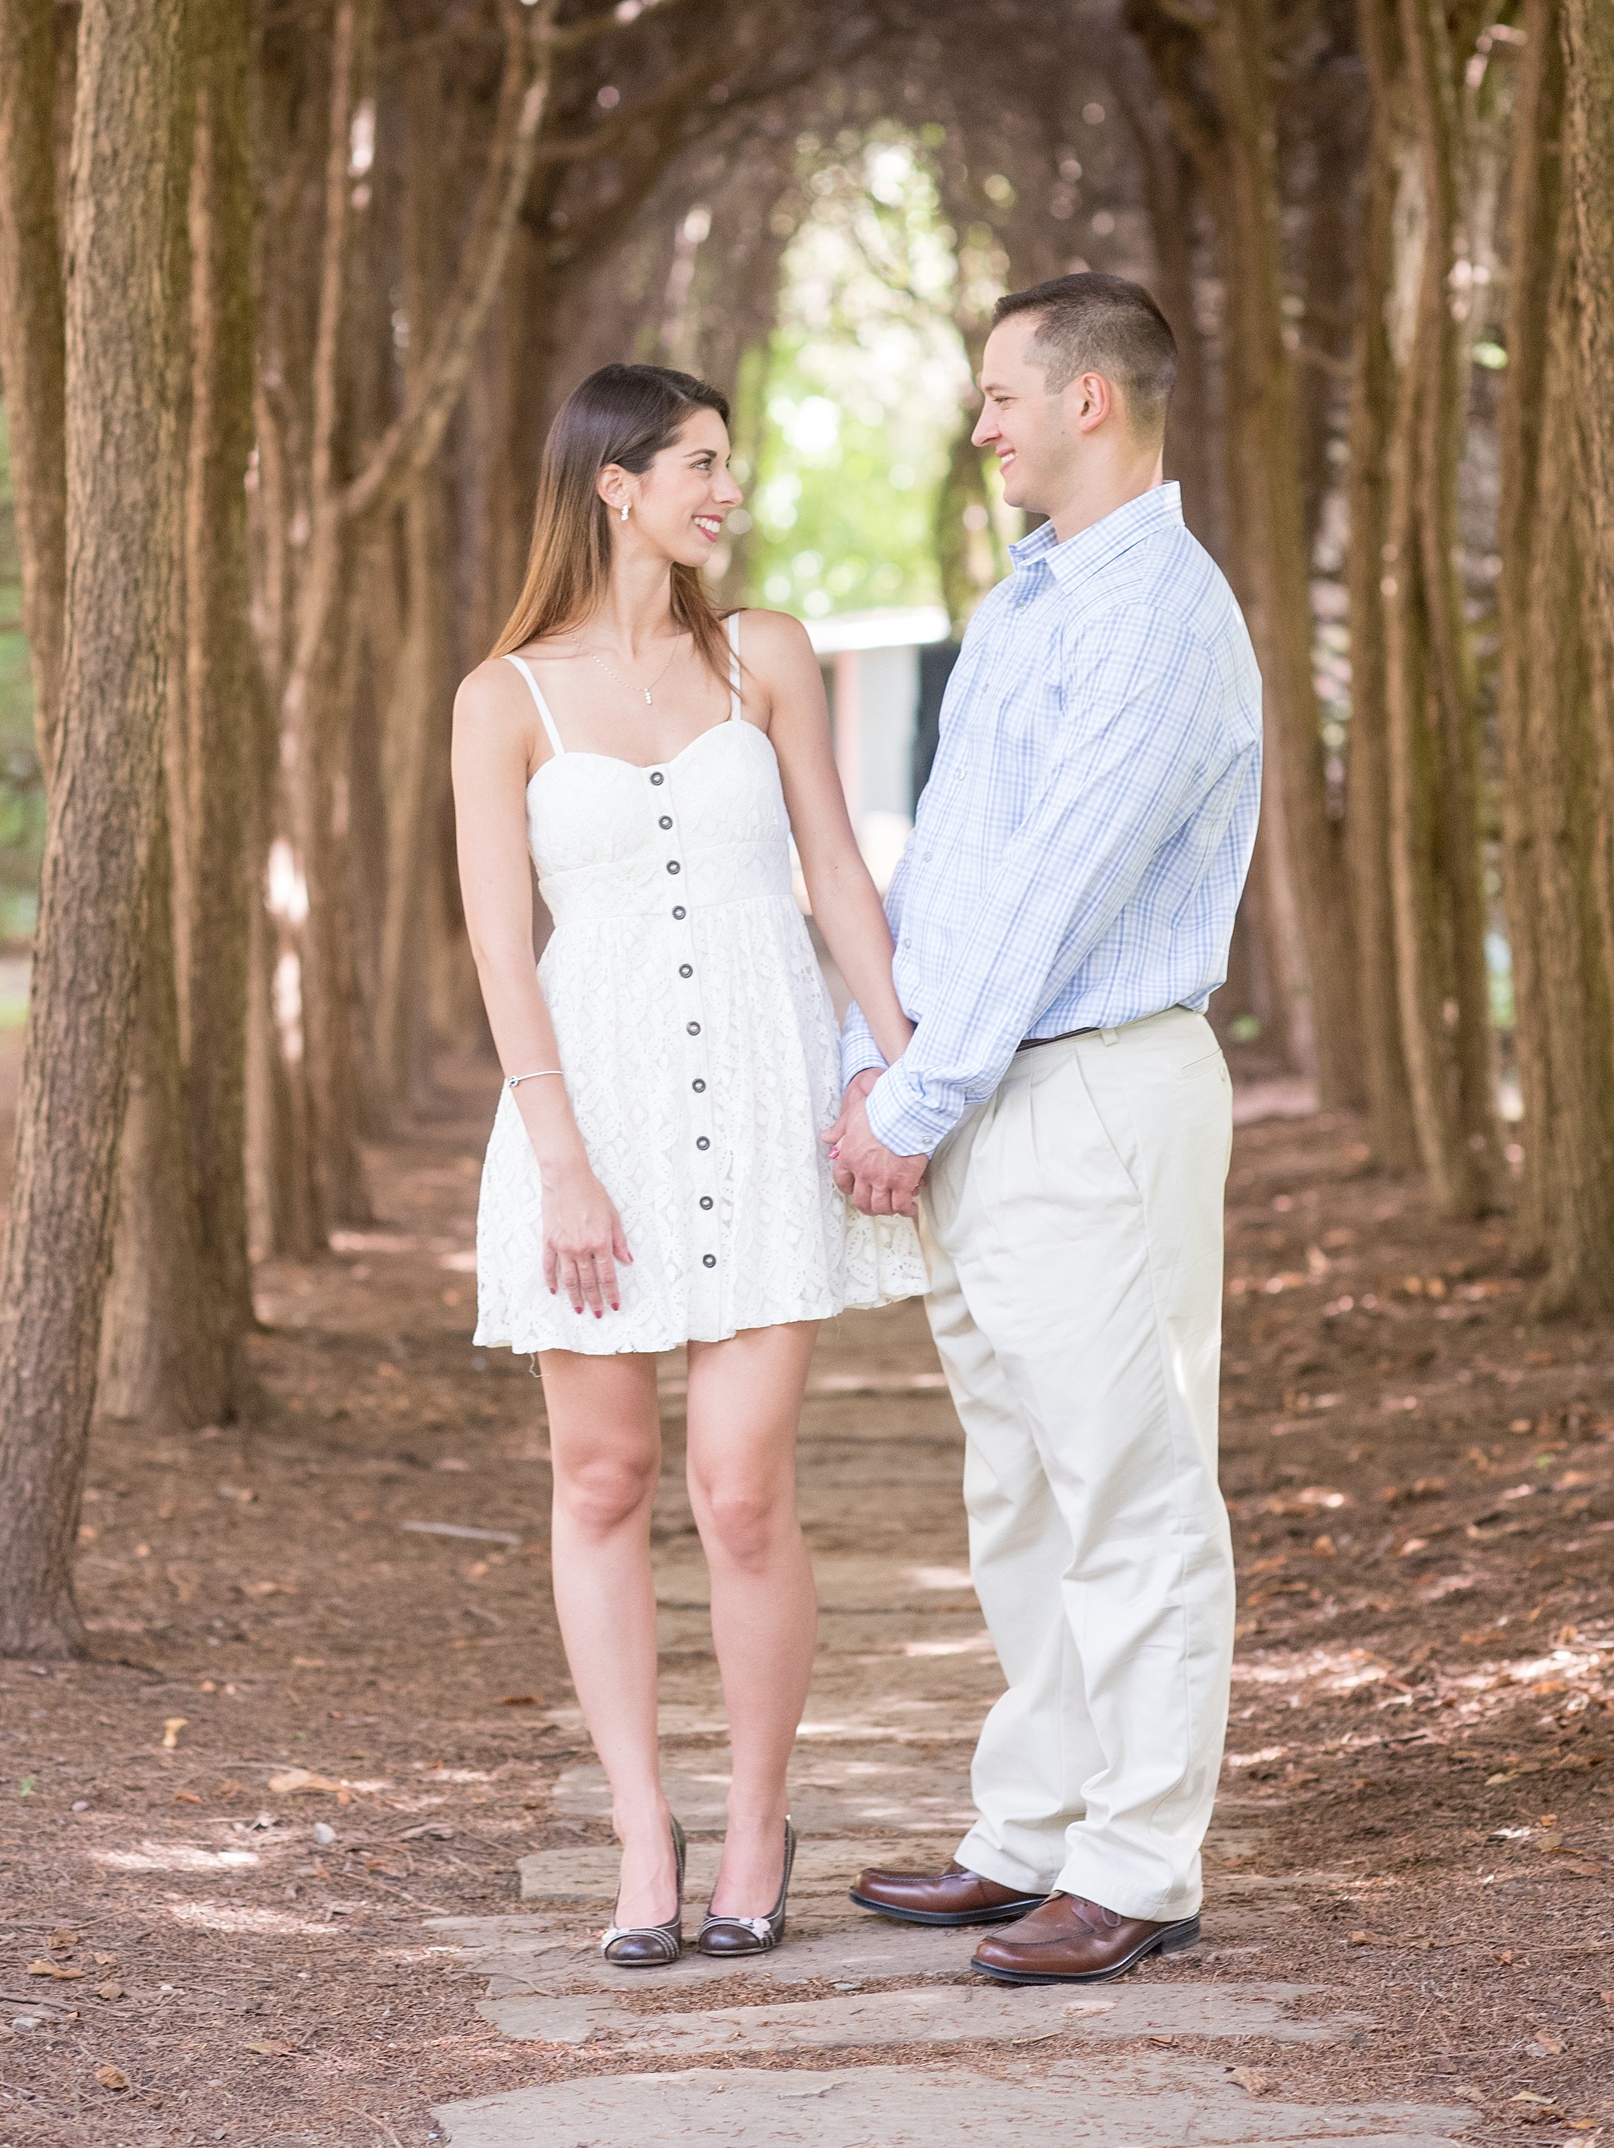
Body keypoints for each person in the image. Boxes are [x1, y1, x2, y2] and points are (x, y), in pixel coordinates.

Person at [453, 362, 923, 1969]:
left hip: (764, 1099)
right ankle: (639, 1829)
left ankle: (754, 1825)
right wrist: (563, 1162)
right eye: (701, 464)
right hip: (594, 1123)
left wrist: (907, 1076)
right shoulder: (500, 697)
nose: (726, 492)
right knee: (603, 1480)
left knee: (739, 1490)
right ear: (615, 484)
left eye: (729, 463)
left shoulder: (764, 659)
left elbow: (841, 880)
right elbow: (502, 950)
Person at [829, 272, 1262, 1986]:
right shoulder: (1024, 604)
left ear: (1093, 400)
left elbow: (1066, 899)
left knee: (1134, 1488)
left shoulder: (1160, 614)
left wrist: (914, 1099)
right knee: (1020, 1483)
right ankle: (1034, 1831)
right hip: (987, 1090)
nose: (984, 419)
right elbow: (958, 870)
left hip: (1092, 1087)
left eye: (1006, 392)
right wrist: (889, 1068)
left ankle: (1142, 1863)